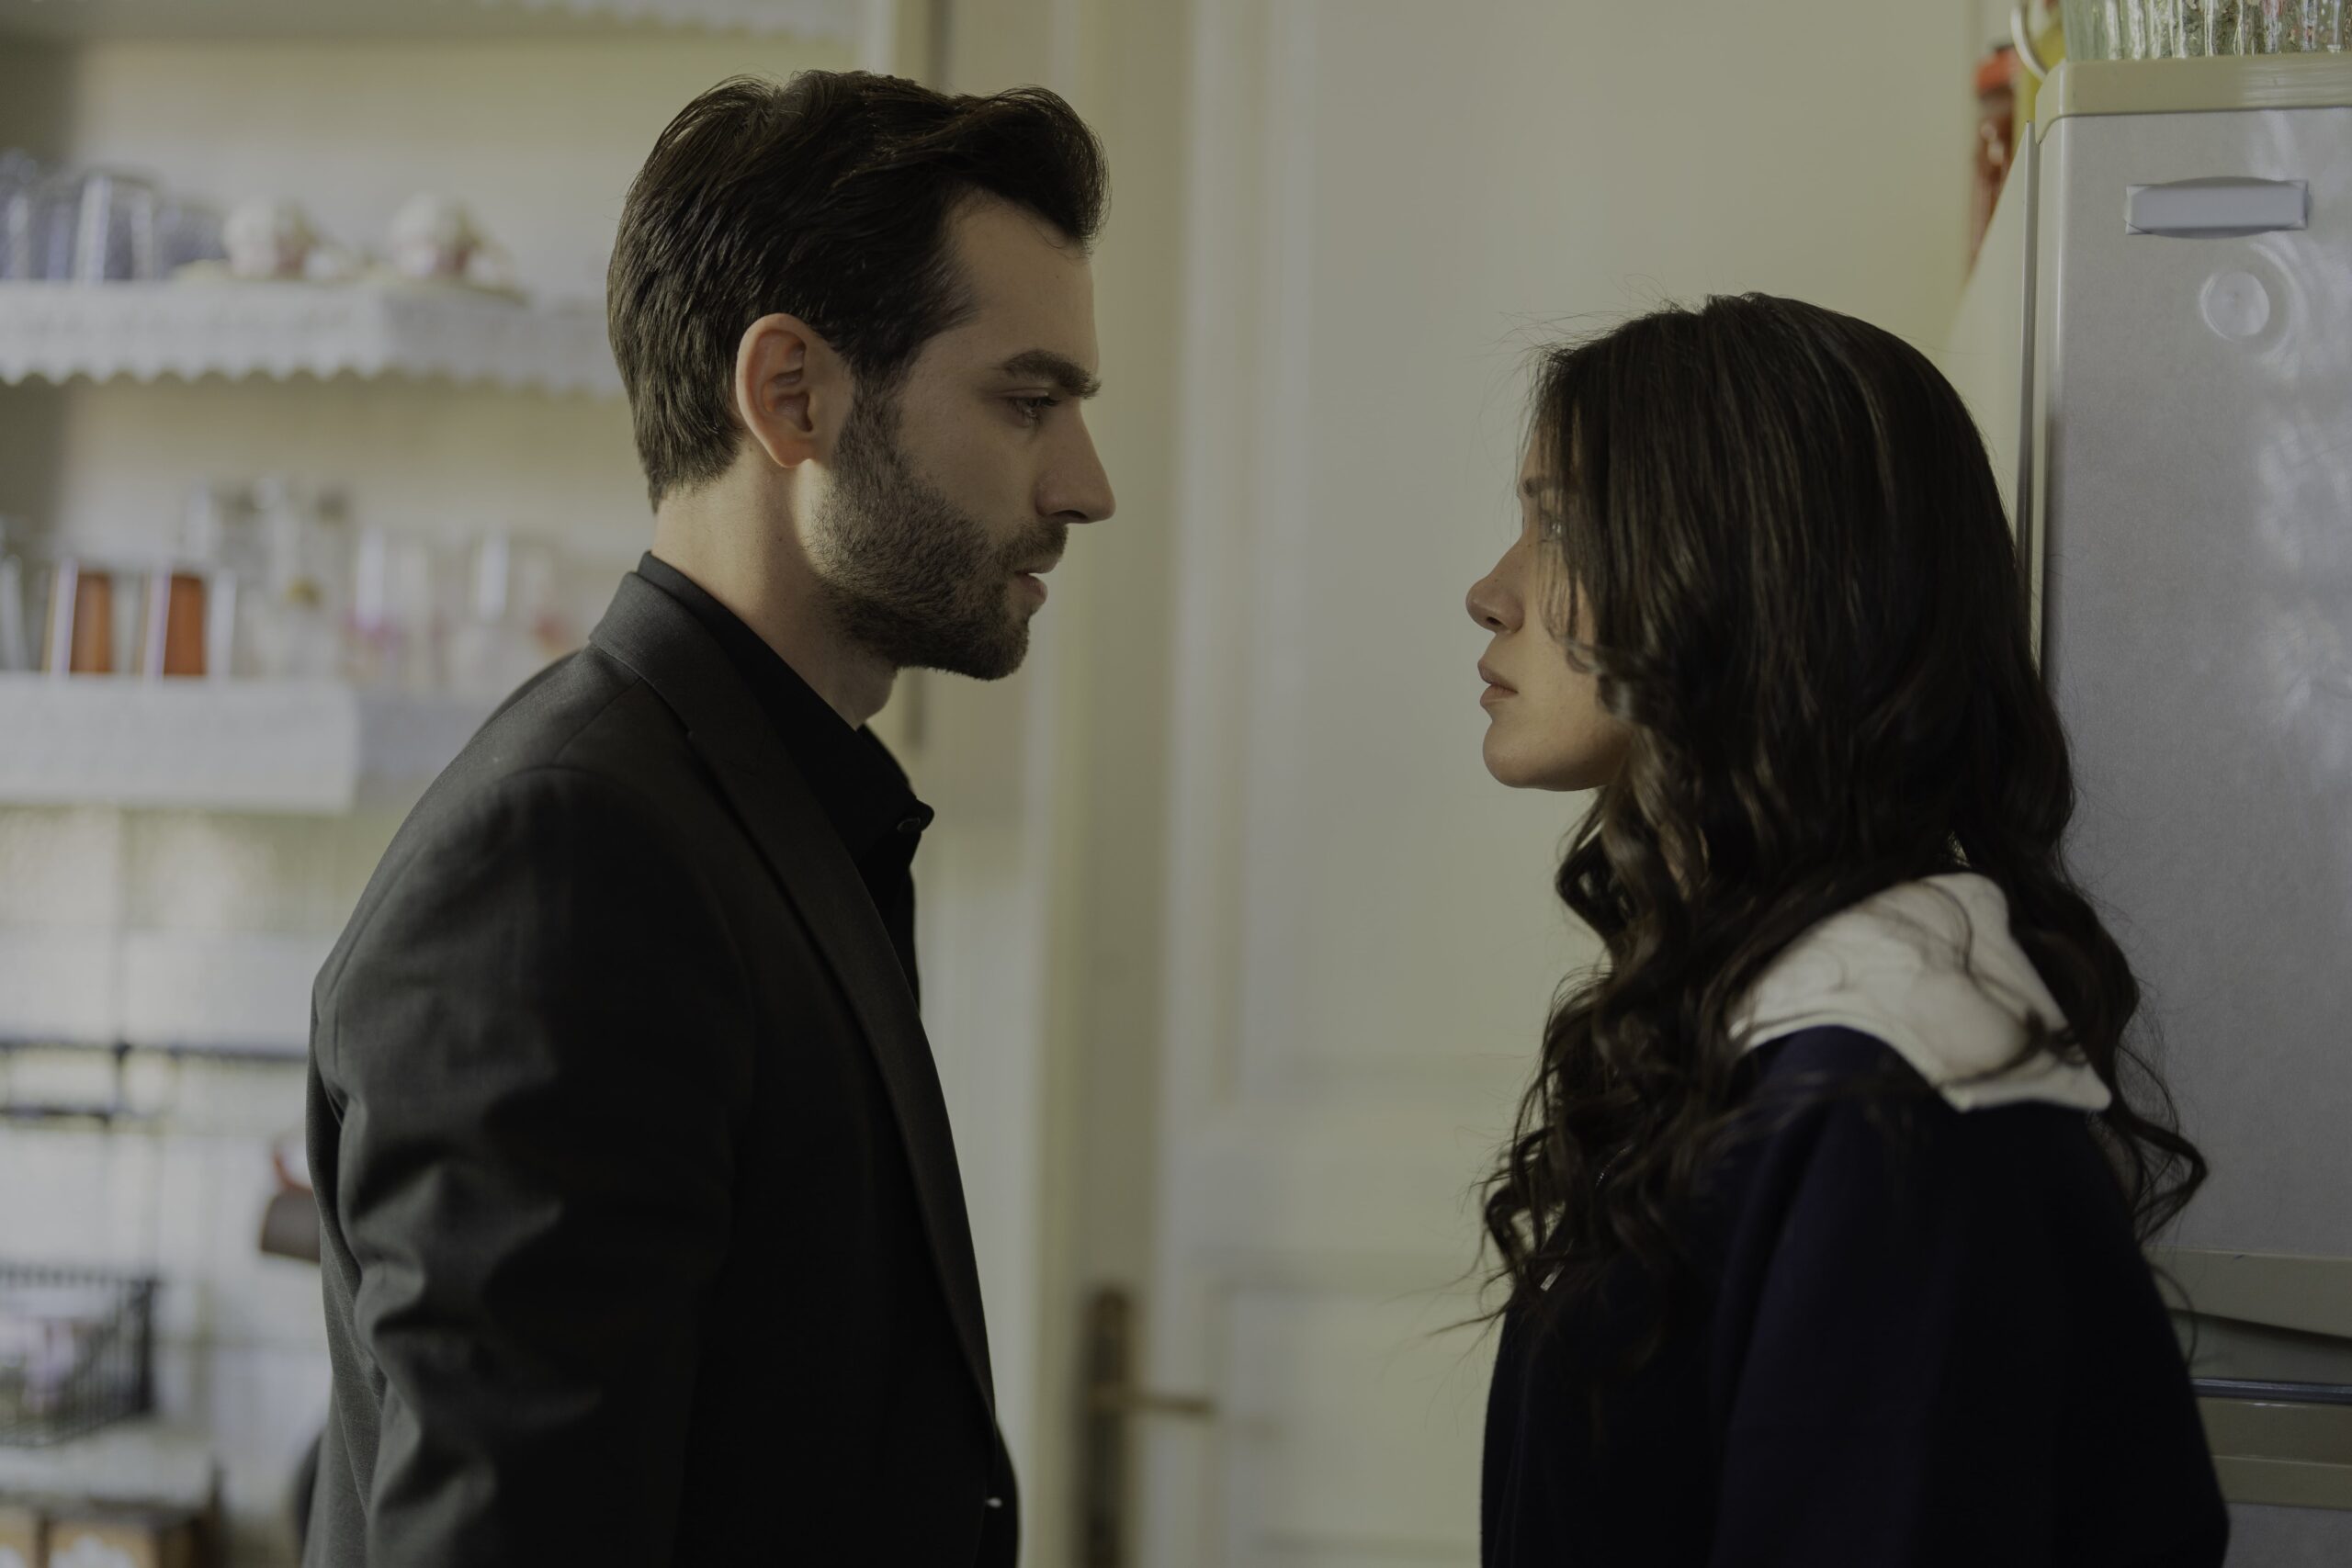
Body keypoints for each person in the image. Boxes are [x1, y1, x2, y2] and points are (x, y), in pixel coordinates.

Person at [303, 72, 1114, 1565]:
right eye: (1027, 400)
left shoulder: (755, 810)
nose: (1086, 485)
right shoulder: (570, 862)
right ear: (792, 394)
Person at [1465, 295, 2227, 1567]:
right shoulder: (1768, 1030)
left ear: (1747, 578)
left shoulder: (1891, 1099)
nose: (1492, 592)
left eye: (1558, 525)